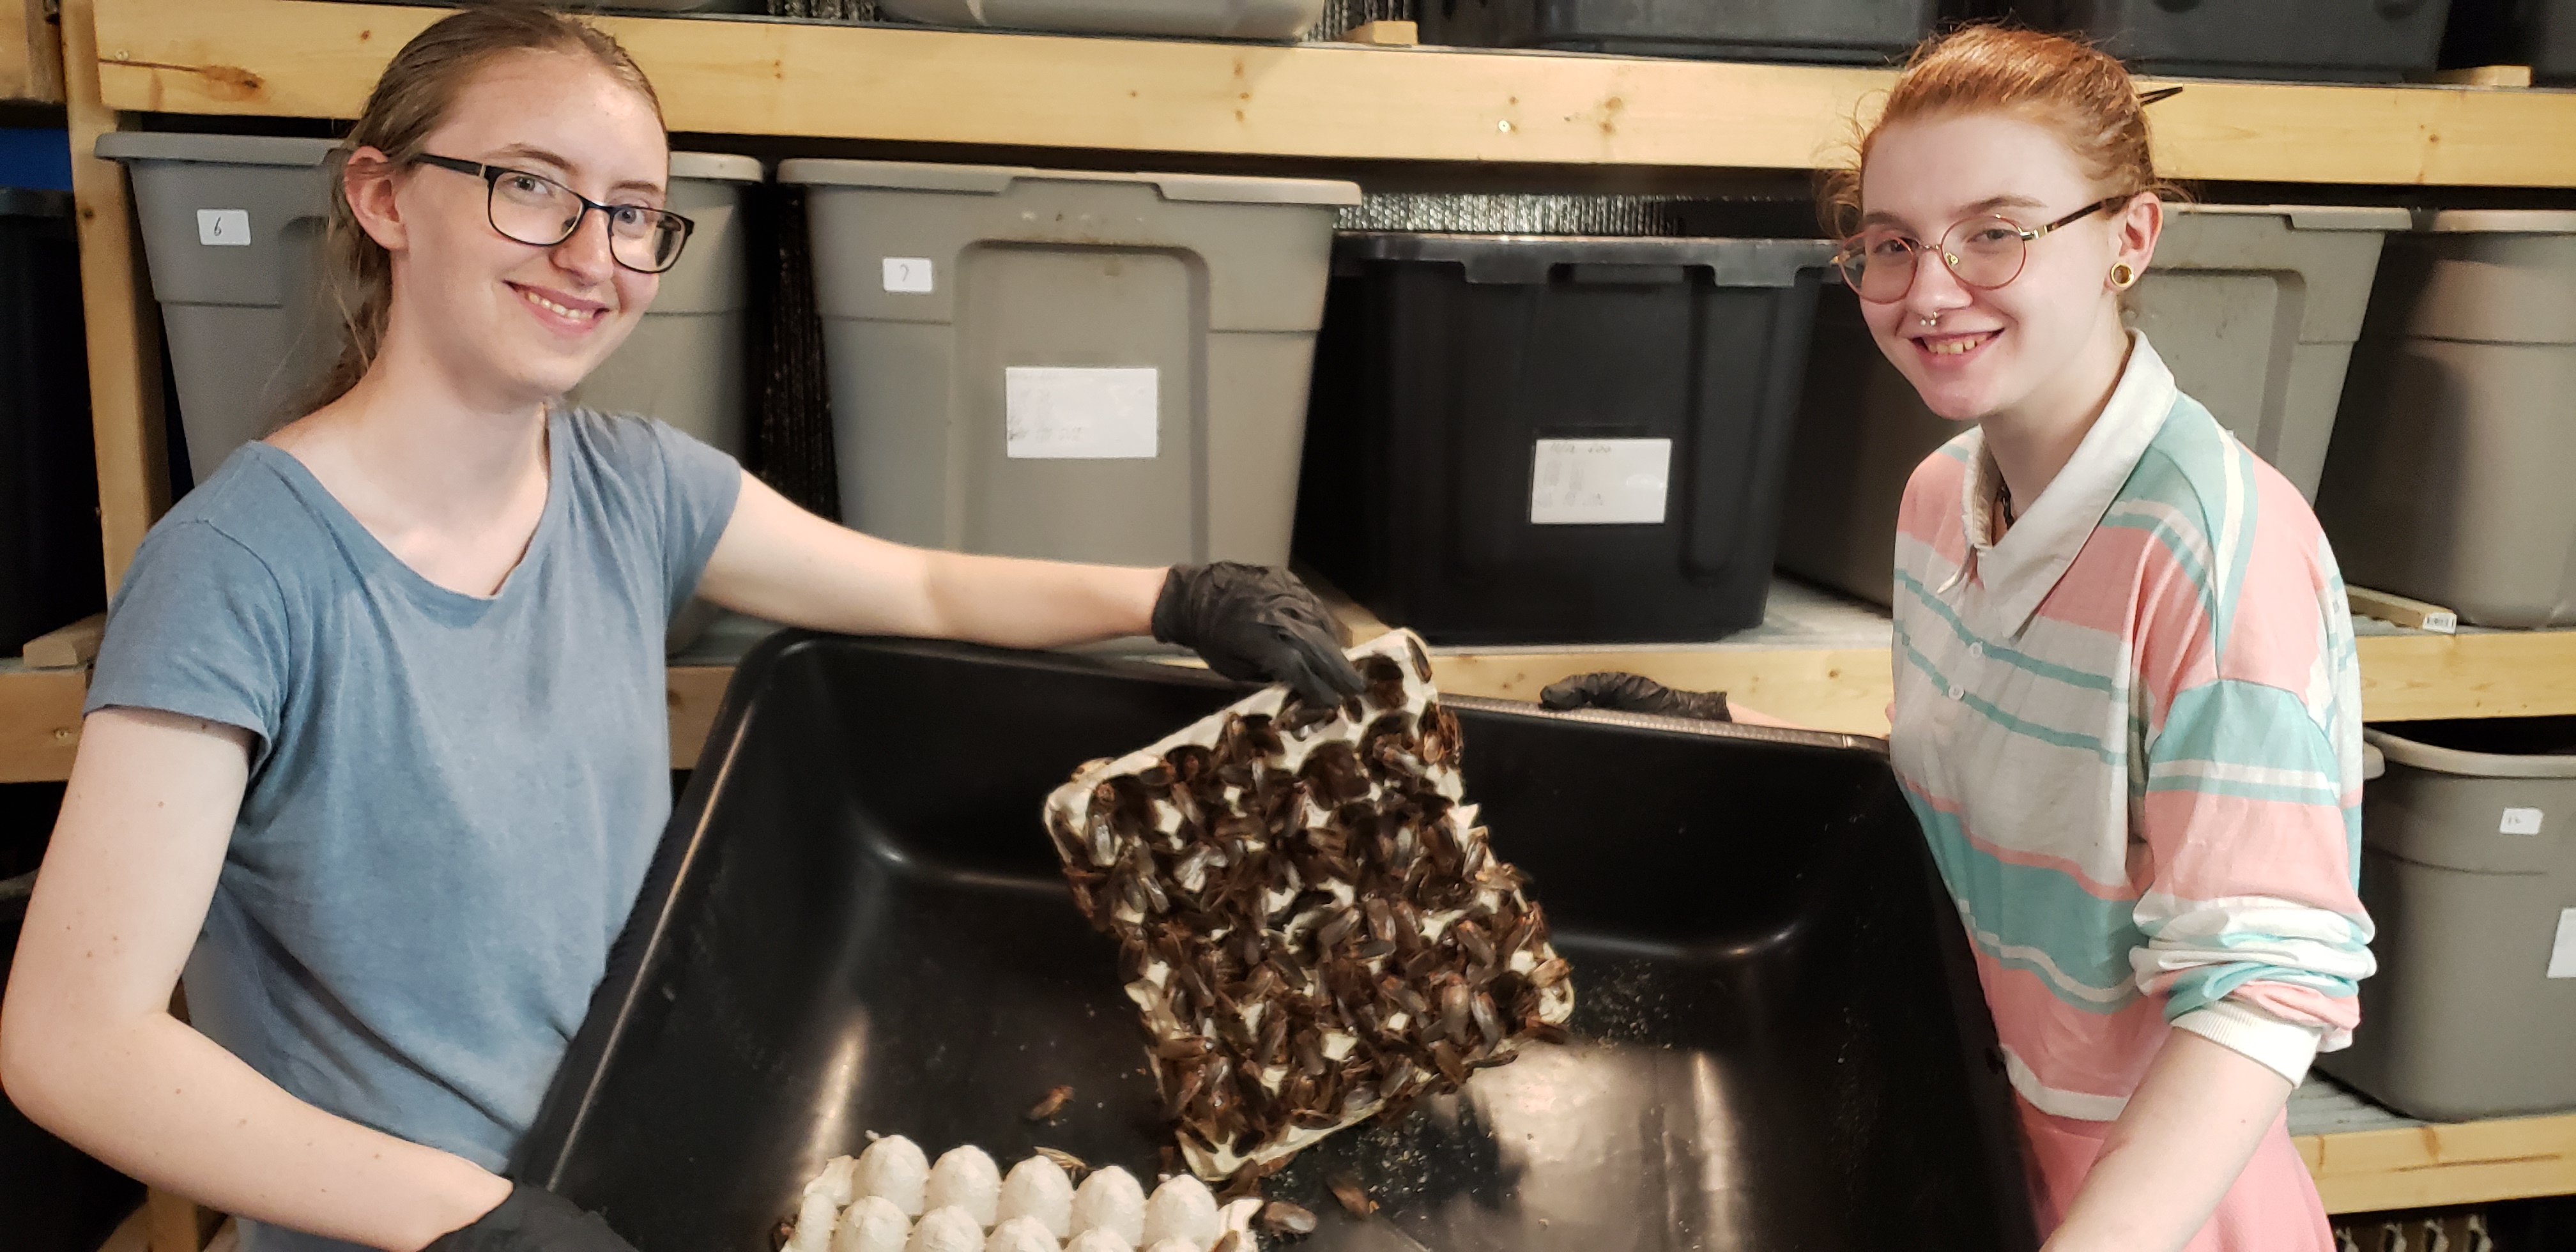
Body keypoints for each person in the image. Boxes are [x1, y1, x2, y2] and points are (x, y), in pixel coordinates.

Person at [0, 7, 1359, 1251]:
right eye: (532, 186)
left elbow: (922, 588)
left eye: (637, 213)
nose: (595, 255)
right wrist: (482, 1221)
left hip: (636, 1185)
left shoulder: (636, 486)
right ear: (383, 195)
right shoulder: (240, 569)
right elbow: (76, 1041)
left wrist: (1176, 595)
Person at [1547, 25, 2372, 1252]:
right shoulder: (1944, 499)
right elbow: (1975, 785)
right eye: (1890, 245)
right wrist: (1726, 739)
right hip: (1973, 1120)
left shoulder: (2218, 555)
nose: (1932, 291)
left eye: (1996, 232)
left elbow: (2264, 995)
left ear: (2128, 239)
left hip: (2145, 1199)